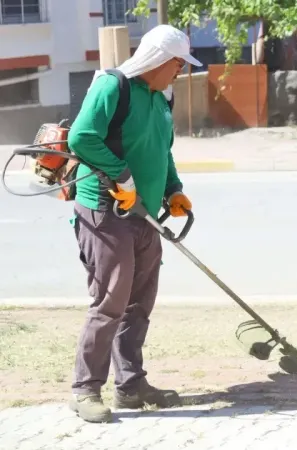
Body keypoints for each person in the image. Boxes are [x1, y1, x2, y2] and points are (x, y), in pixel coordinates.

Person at [66, 24, 203, 423]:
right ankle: (85, 390)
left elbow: (163, 149)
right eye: (178, 63)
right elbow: (81, 137)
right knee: (110, 302)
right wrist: (122, 176)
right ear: (159, 59)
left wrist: (173, 190)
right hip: (105, 212)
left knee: (140, 303)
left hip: (145, 214)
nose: (180, 71)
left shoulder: (163, 96)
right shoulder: (114, 86)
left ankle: (130, 385)